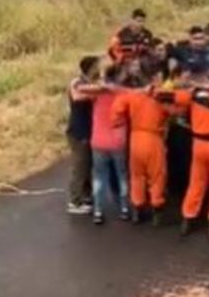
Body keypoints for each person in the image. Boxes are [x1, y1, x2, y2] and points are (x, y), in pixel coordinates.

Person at [159, 69, 209, 240]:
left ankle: (188, 219)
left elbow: (164, 96)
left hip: (199, 144)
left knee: (196, 183)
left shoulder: (194, 95)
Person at [111, 66, 172, 225]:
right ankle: (157, 207)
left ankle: (137, 208)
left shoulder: (132, 95)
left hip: (136, 138)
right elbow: (174, 110)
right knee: (157, 175)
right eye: (159, 77)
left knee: (137, 175)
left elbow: (117, 110)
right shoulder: (160, 97)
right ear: (153, 79)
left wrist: (119, 122)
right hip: (153, 138)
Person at [90, 66, 130, 225]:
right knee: (122, 176)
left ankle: (98, 211)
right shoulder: (123, 95)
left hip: (98, 141)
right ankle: (125, 208)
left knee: (99, 177)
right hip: (117, 141)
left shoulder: (96, 94)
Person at [66, 56, 103, 215]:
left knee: (88, 165)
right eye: (97, 66)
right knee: (80, 167)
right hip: (78, 130)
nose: (99, 68)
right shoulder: (77, 82)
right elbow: (76, 96)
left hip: (89, 130)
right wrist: (96, 94)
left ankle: (87, 195)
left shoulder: (94, 82)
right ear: (90, 67)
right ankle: (75, 201)